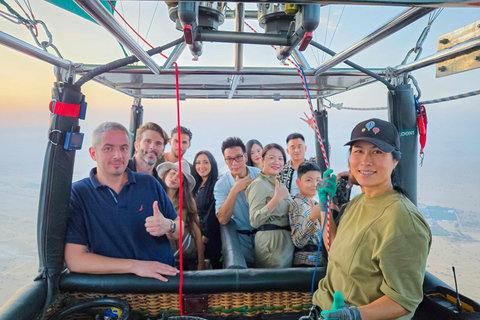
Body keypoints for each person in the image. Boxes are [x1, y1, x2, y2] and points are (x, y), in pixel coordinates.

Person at [312, 118, 432, 320]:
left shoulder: (402, 220)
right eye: (358, 151)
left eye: (377, 152)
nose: (365, 160)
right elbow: (335, 250)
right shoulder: (358, 202)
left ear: (395, 160)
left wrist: (353, 315)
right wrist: (325, 207)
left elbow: (404, 300)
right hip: (320, 311)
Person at [65, 122, 180, 282]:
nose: (118, 155)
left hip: (163, 285)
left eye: (124, 148)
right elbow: (75, 260)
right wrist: (135, 266)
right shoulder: (79, 193)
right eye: (108, 148)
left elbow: (178, 228)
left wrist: (168, 226)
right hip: (115, 289)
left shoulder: (149, 182)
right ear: (93, 153)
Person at [246, 143, 294, 268]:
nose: (276, 162)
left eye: (280, 158)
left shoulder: (278, 184)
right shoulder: (258, 184)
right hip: (271, 245)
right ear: (262, 161)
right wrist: (277, 199)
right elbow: (254, 220)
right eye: (271, 158)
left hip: (285, 244)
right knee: (275, 286)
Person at [214, 137, 260, 266]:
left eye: (238, 157)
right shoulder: (221, 185)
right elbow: (222, 219)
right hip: (241, 240)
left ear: (245, 157)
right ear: (225, 161)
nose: (234, 163)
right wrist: (234, 191)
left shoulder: (260, 175)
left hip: (264, 236)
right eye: (229, 159)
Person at [157, 161, 206, 270]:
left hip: (187, 258)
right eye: (173, 172)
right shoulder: (154, 197)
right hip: (160, 260)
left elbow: (197, 231)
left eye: (180, 176)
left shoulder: (188, 202)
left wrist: (201, 263)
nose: (175, 177)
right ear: (165, 174)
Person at [288, 161, 325, 267]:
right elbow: (298, 241)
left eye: (318, 180)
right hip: (306, 263)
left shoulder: (315, 203)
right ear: (298, 183)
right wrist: (312, 217)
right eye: (309, 180)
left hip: (318, 260)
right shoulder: (297, 204)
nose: (314, 184)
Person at [192, 150, 222, 269]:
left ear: (212, 164)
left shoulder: (216, 185)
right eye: (198, 163)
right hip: (195, 237)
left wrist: (205, 239)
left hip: (209, 240)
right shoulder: (195, 185)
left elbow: (212, 215)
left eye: (205, 162)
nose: (201, 166)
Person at [127, 122, 169, 191]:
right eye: (148, 141)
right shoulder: (120, 171)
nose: (152, 147)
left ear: (163, 151)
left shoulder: (161, 187)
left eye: (158, 143)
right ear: (136, 146)